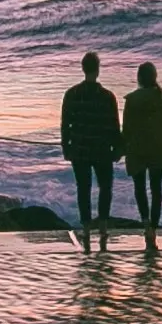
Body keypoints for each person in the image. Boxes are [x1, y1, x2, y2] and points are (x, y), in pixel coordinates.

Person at [58, 51, 121, 239]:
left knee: (83, 188)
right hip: (102, 149)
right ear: (98, 70)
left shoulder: (72, 94)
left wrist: (66, 148)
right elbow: (114, 126)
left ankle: (85, 227)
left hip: (79, 149)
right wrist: (117, 148)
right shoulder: (107, 96)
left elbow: (65, 124)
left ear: (83, 69)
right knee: (105, 187)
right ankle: (103, 226)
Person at [121, 62, 162, 241]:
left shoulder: (132, 100)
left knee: (140, 188)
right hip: (157, 149)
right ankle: (153, 227)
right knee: (156, 189)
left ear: (139, 78)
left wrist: (121, 148)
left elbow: (127, 130)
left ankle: (145, 223)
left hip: (137, 150)